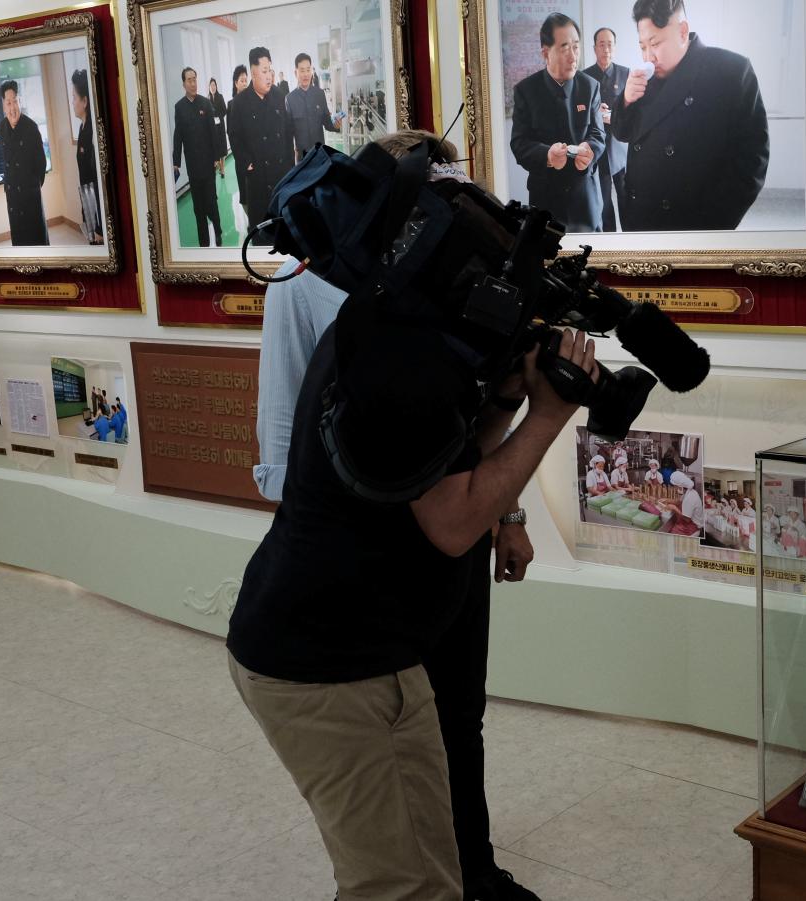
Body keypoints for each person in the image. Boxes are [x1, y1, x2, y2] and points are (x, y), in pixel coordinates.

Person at [246, 129, 544, 901]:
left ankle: (472, 866)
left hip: (422, 568)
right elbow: (291, 434)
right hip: (349, 596)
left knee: (453, 728)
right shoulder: (333, 301)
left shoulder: (431, 324)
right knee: (394, 875)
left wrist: (506, 505)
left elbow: (464, 436)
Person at [612, 0, 769, 231]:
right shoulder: (645, 79)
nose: (648, 57)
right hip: (639, 220)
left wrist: (713, 225)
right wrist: (625, 100)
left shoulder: (731, 71)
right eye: (642, 46)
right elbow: (622, 133)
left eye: (654, 43)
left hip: (694, 223)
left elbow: (753, 159)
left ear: (683, 31)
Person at [510, 13, 605, 233]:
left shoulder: (590, 87)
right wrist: (547, 156)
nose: (573, 57)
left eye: (576, 47)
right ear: (546, 52)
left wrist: (590, 150)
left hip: (585, 202)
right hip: (545, 203)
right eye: (564, 48)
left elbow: (598, 134)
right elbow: (519, 143)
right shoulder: (526, 91)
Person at [228, 47, 295, 245]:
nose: (269, 76)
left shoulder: (278, 95)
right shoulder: (239, 103)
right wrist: (246, 161)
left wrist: (290, 165)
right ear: (253, 72)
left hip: (280, 173)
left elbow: (288, 131)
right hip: (257, 177)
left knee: (283, 230)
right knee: (261, 231)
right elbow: (234, 136)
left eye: (270, 70)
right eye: (264, 71)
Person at [583, 27, 629, 232]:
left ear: (615, 47)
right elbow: (579, 114)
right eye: (601, 44)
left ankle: (633, 238)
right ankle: (609, 241)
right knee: (603, 201)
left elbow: (634, 112)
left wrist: (614, 116)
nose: (606, 48)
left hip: (620, 147)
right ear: (594, 48)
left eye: (609, 44)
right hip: (597, 148)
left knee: (626, 196)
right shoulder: (584, 77)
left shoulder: (626, 74)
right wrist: (594, 115)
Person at [172, 67, 224, 247]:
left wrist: (217, 157)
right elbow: (178, 135)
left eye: (195, 79)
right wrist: (176, 162)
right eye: (189, 80)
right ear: (184, 84)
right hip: (193, 166)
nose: (193, 83)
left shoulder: (205, 104)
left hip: (208, 163)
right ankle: (204, 241)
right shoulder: (179, 107)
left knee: (212, 201)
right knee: (198, 207)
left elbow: (213, 132)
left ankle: (218, 231)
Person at [0, 80, 49, 246]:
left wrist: (31, 187)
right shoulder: (2, 128)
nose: (12, 108)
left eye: (15, 101)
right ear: (4, 105)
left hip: (30, 200)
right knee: (20, 246)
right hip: (13, 199)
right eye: (8, 103)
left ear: (19, 101)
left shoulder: (31, 128)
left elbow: (41, 166)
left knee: (38, 245)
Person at [286, 51, 344, 162]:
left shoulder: (320, 94)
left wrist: (335, 125)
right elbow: (289, 132)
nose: (306, 74)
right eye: (302, 70)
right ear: (295, 73)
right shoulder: (290, 99)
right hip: (302, 158)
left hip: (320, 154)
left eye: (308, 70)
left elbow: (327, 122)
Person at [70, 69, 103, 245]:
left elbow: (99, 180)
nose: (72, 102)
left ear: (85, 101)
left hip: (99, 213)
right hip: (89, 203)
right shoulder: (82, 128)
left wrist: (100, 227)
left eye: (74, 97)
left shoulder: (93, 130)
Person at [228, 65, 251, 223]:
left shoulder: (251, 102)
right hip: (243, 161)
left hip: (255, 157)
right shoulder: (232, 104)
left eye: (246, 80)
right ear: (236, 83)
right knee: (245, 195)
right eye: (242, 80)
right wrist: (244, 161)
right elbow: (233, 137)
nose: (245, 83)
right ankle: (251, 222)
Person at [661, 470, 701, 535]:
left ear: (680, 486)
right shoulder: (687, 492)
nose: (674, 488)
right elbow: (678, 501)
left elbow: (687, 519)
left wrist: (674, 508)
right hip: (685, 524)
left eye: (675, 486)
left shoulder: (690, 497)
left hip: (691, 527)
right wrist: (666, 500)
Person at [207, 77, 228, 180]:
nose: (213, 87)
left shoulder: (220, 97)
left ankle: (223, 169)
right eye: (211, 86)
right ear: (209, 87)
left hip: (220, 126)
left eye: (214, 85)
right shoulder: (207, 99)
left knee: (222, 149)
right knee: (216, 148)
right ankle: (219, 166)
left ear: (216, 86)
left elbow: (224, 110)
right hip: (213, 128)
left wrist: (218, 117)